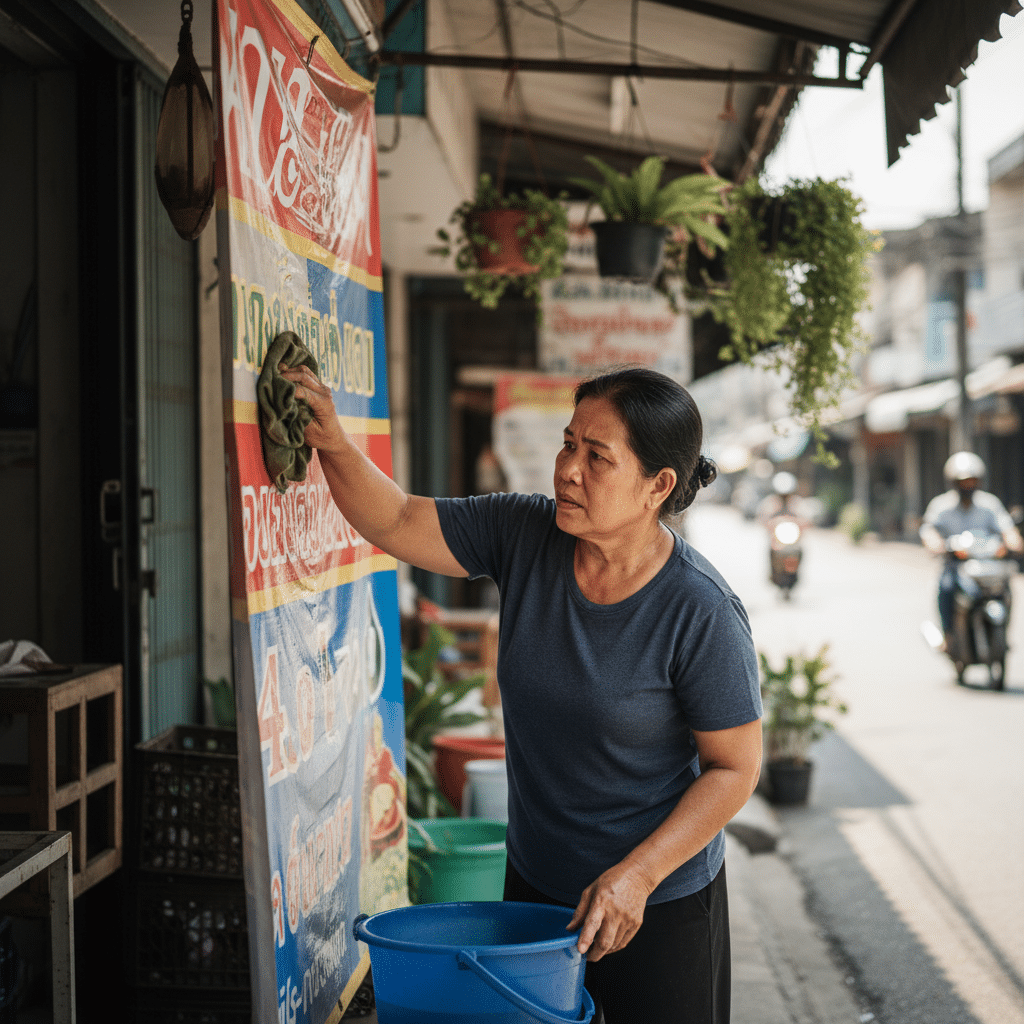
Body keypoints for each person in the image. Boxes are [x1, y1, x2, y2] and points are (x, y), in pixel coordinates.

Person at [282, 362, 763, 1024]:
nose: (568, 470)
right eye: (569, 444)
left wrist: (639, 875)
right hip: (538, 891)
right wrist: (333, 442)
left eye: (597, 457)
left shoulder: (700, 610)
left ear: (658, 486)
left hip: (658, 903)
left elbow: (734, 769)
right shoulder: (523, 533)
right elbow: (396, 519)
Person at [919, 451, 1023, 650]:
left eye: (972, 481)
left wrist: (1013, 542)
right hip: (956, 565)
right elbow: (929, 529)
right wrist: (935, 543)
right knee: (946, 588)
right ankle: (949, 636)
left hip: (986, 564)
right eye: (963, 482)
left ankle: (1002, 634)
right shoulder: (941, 506)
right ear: (953, 482)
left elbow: (1006, 527)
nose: (968, 485)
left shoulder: (989, 504)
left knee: (1005, 589)